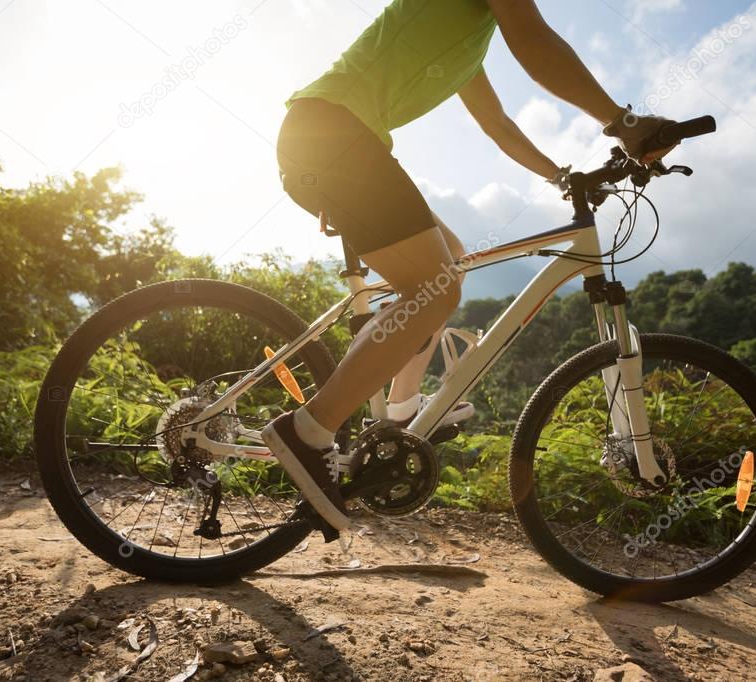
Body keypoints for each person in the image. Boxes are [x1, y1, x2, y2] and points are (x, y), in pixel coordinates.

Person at [262, 0, 675, 532]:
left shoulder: (466, 42)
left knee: (447, 265)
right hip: (333, 136)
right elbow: (532, 40)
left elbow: (498, 124)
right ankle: (310, 429)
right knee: (434, 290)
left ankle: (401, 409)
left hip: (329, 138)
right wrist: (625, 123)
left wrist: (561, 177)